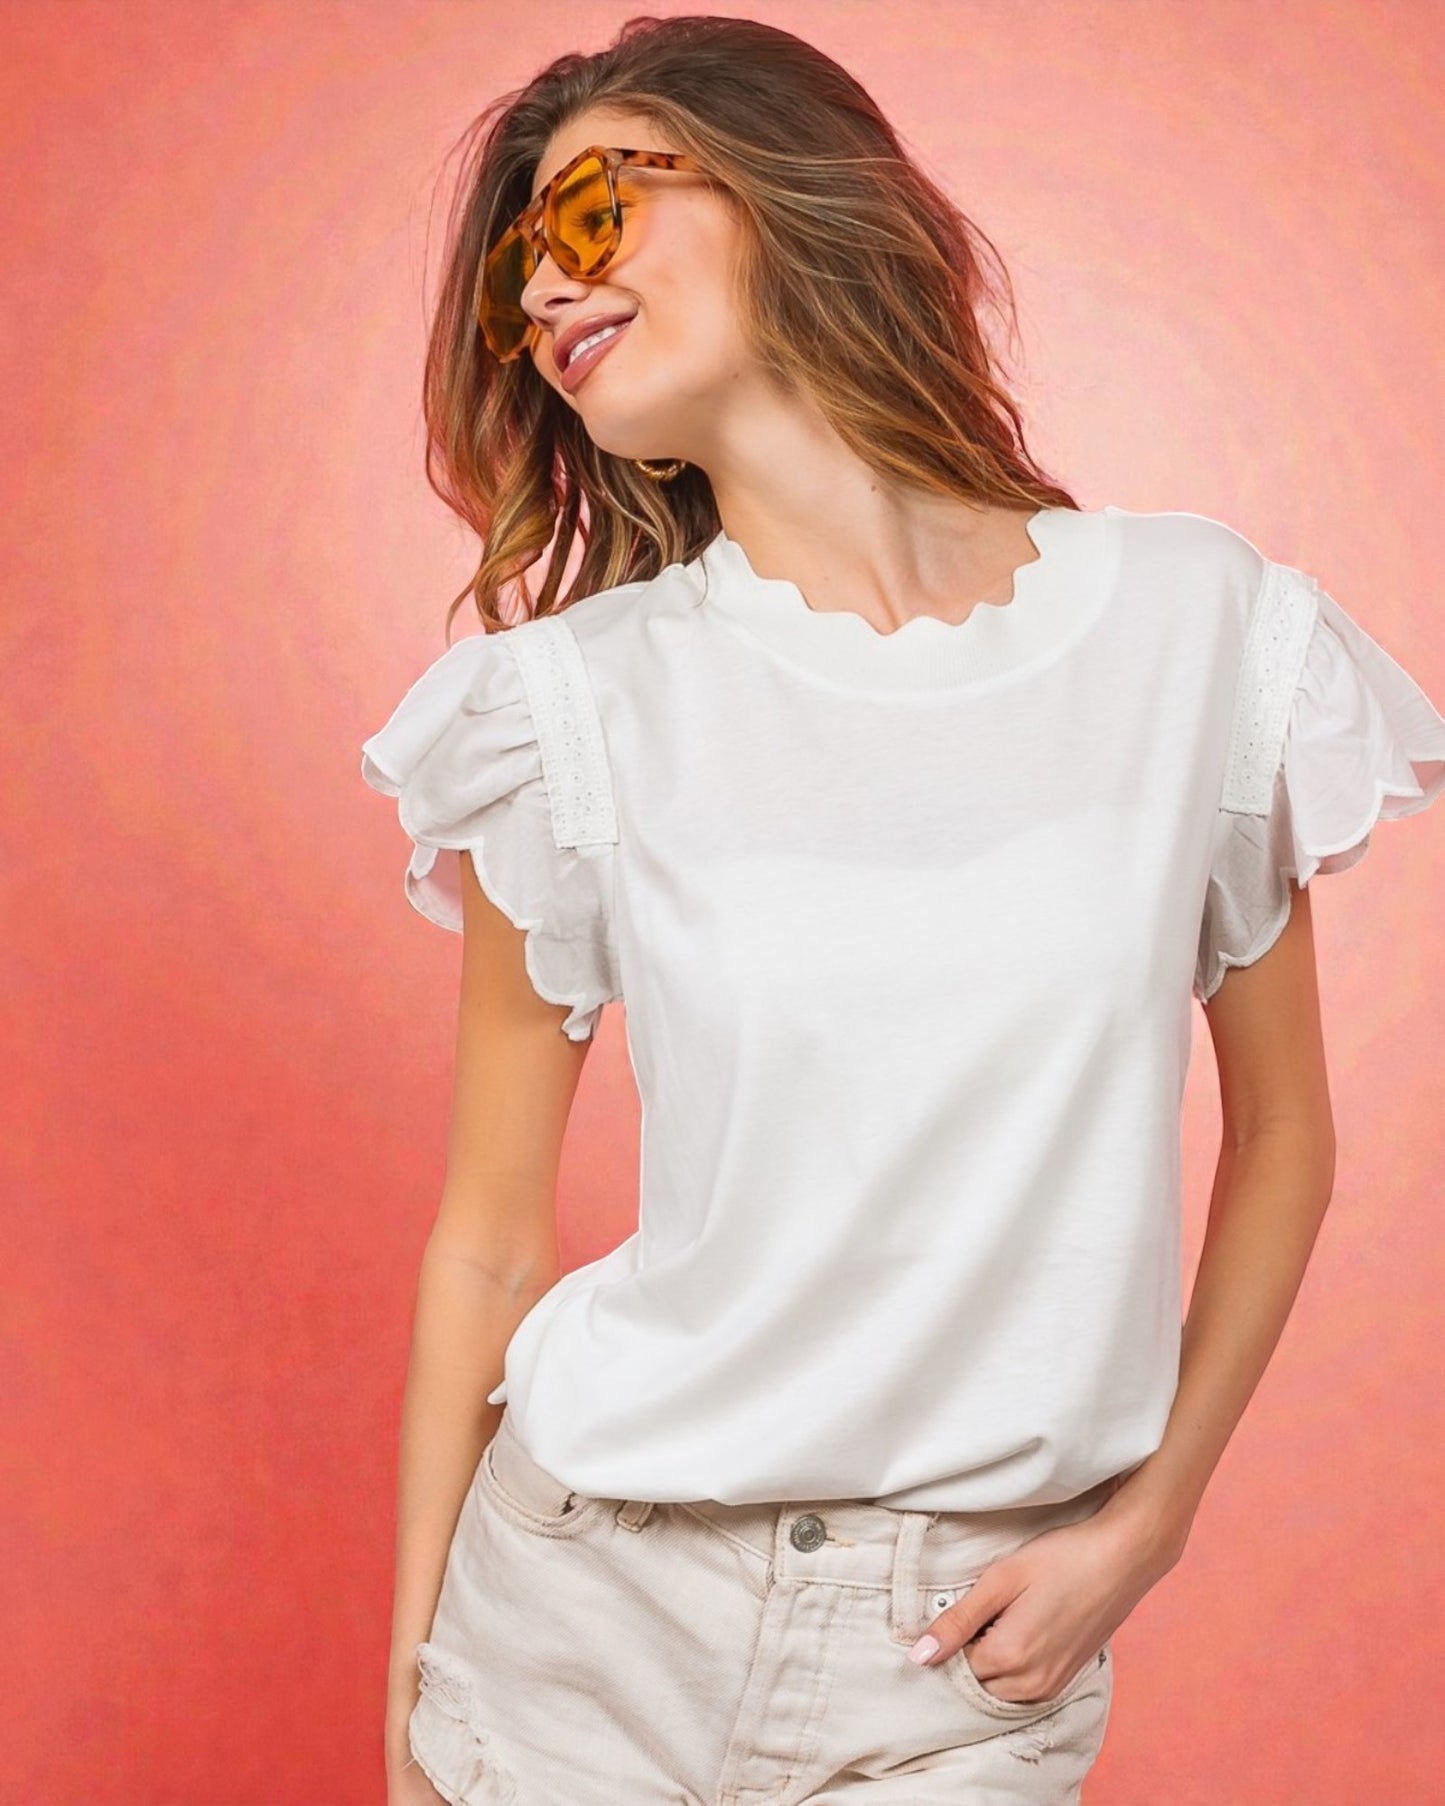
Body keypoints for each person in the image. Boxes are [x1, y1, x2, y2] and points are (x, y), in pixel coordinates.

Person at [361, 17, 1445, 1805]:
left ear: (790, 192)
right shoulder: (568, 707)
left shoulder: (1193, 629)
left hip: (953, 1648)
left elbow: (1282, 1135)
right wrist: (407, 1707)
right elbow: (485, 1239)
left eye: (584, 218)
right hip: (579, 1619)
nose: (544, 302)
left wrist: (1149, 1518)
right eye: (509, 287)